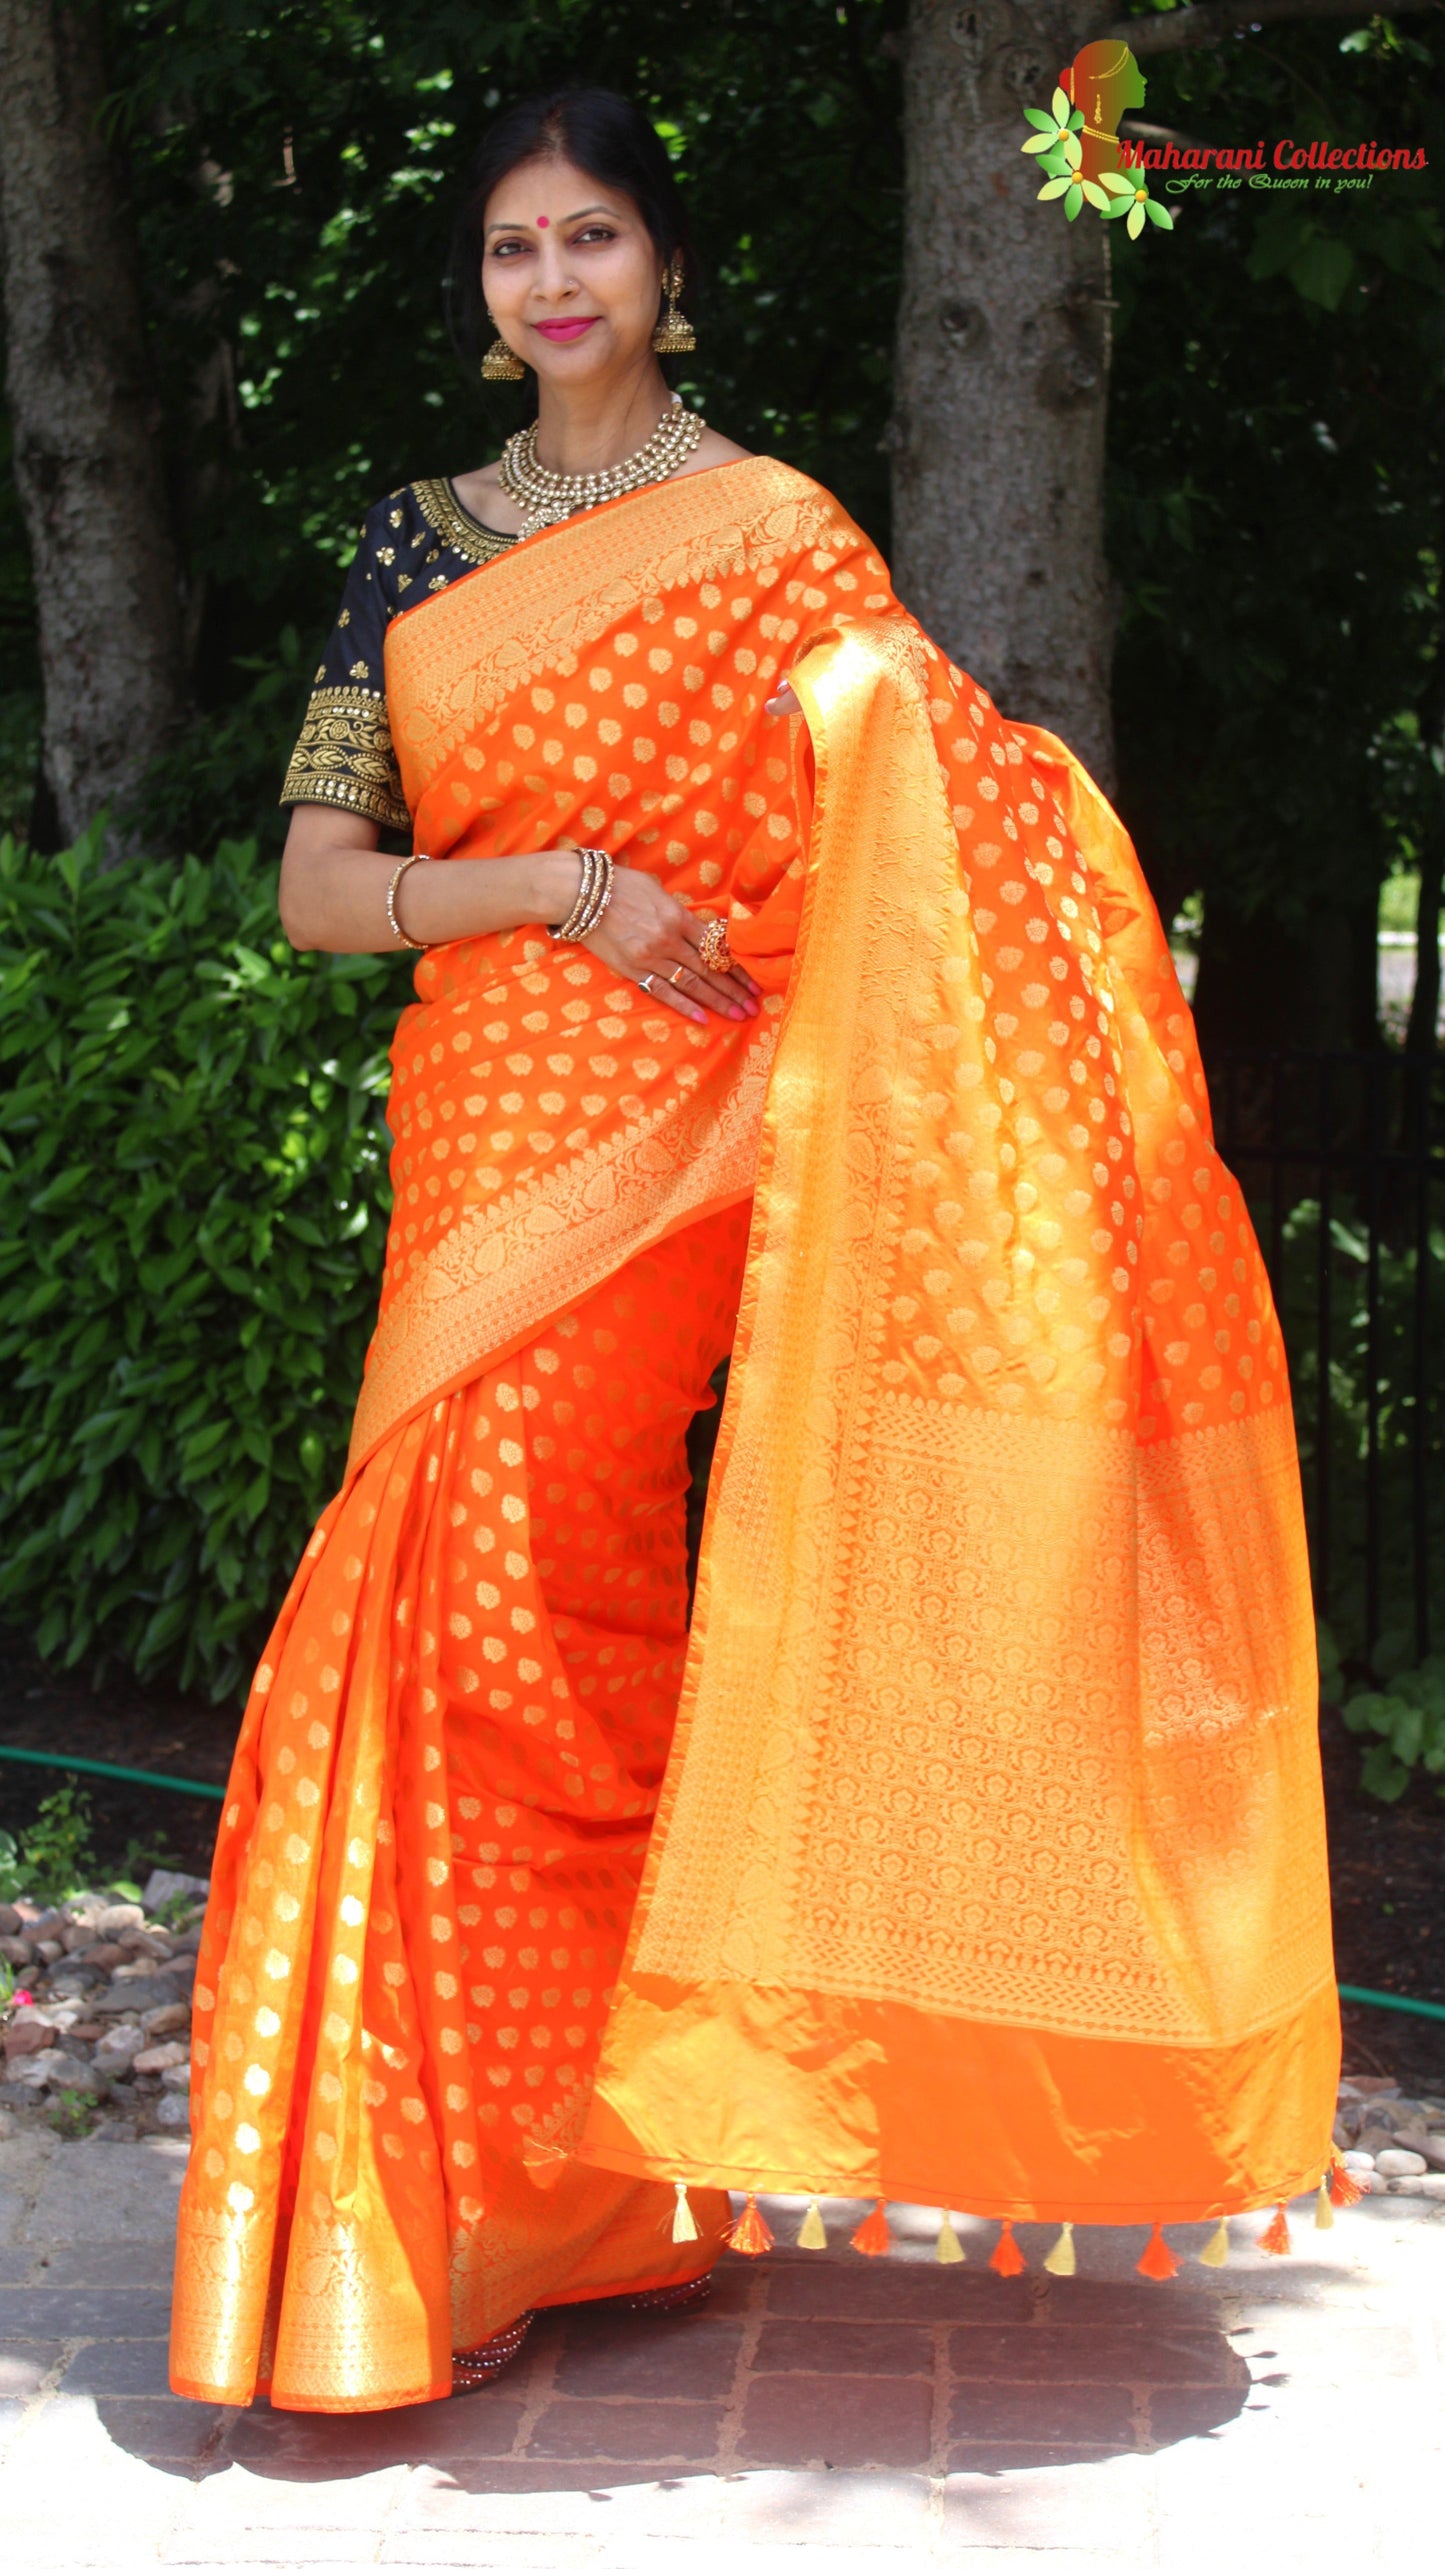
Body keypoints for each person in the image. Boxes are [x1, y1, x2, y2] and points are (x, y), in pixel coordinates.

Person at [170, 85, 1340, 2417]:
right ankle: (508, 2200)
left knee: (565, 1611)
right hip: (486, 1103)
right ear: (485, 299)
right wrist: (557, 888)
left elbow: (920, 788)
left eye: (592, 234)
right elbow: (316, 887)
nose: (554, 279)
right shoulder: (409, 551)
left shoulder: (775, 534)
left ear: (666, 270)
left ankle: (575, 2182)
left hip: (685, 1142)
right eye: (513, 249)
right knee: (452, 1598)